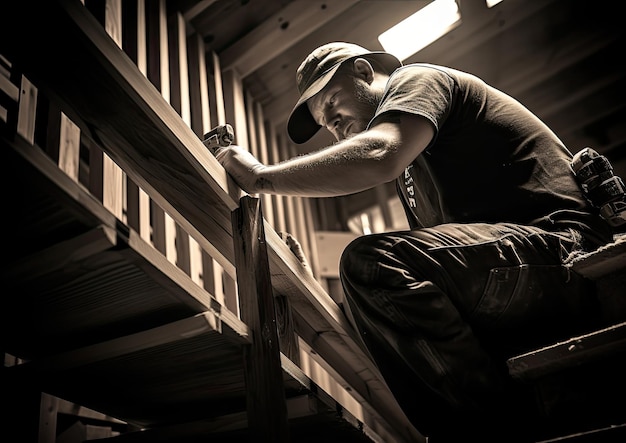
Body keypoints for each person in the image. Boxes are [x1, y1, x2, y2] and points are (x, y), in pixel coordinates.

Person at [213, 42, 614, 442]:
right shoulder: (417, 176)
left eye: (333, 101)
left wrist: (260, 177)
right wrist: (311, 283)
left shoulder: (417, 79)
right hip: (517, 269)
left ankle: (492, 432)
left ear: (365, 73)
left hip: (566, 248)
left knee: (371, 262)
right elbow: (410, 302)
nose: (332, 124)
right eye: (324, 122)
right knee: (377, 285)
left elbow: (381, 154)